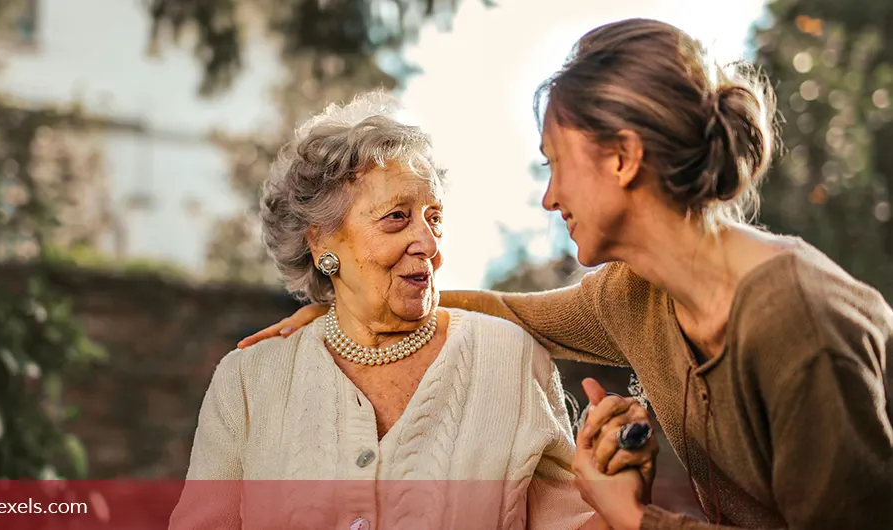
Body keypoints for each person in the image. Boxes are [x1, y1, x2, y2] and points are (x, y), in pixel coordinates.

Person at [236, 18, 893, 530]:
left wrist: (630, 514)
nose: (549, 197)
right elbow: (508, 313)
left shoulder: (796, 323)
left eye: (554, 163)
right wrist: (352, 308)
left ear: (623, 158)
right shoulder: (636, 295)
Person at [170, 92, 656, 530]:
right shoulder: (250, 382)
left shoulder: (510, 359)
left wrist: (620, 498)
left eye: (435, 218)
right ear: (321, 242)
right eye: (397, 217)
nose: (427, 243)